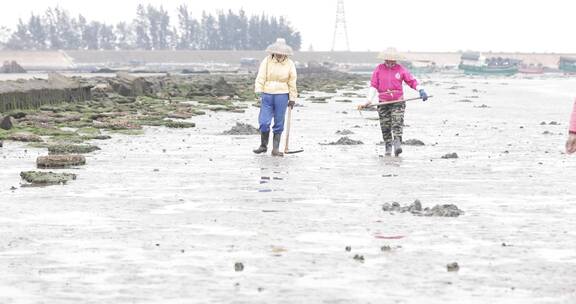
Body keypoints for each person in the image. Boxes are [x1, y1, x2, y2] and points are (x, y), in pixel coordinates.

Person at [360, 48, 428, 156]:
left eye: (394, 60)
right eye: (389, 60)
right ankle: (388, 146)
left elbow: (411, 81)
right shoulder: (379, 69)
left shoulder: (401, 69)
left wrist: (421, 90)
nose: (391, 62)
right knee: (385, 126)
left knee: (397, 122)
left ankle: (397, 143)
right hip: (383, 102)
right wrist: (368, 100)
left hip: (398, 101)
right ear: (385, 59)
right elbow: (373, 86)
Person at [253, 38, 298, 157]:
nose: (279, 53)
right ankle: (263, 146)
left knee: (279, 122)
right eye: (277, 51)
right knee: (264, 122)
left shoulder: (290, 64)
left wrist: (292, 98)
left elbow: (292, 81)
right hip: (267, 94)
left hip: (282, 95)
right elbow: (260, 76)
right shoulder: (267, 61)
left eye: (281, 52)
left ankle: (276, 149)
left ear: (285, 52)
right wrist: (258, 90)